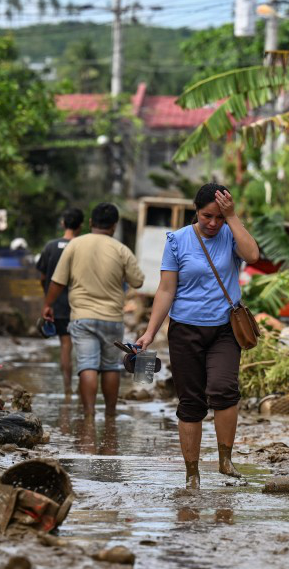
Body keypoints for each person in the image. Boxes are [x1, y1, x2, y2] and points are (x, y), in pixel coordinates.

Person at [136, 184, 260, 489]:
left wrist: (233, 217)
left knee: (223, 389)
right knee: (190, 402)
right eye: (208, 216)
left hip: (224, 330)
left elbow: (253, 255)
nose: (213, 223)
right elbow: (166, 290)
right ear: (196, 210)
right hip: (185, 330)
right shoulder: (177, 240)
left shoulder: (231, 234)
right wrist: (150, 333)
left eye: (219, 217)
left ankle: (225, 460)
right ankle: (192, 473)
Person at [44, 203, 144, 420]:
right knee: (110, 367)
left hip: (83, 317)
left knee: (87, 364)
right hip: (112, 319)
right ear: (114, 226)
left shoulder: (75, 245)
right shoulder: (121, 249)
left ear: (90, 223)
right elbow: (138, 281)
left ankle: (89, 415)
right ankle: (110, 415)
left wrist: (47, 305)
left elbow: (57, 281)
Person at [36, 208, 84, 395]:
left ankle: (67, 389)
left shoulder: (50, 246)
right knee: (82, 344)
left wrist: (48, 299)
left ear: (63, 223)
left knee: (65, 344)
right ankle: (83, 385)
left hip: (58, 305)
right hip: (80, 304)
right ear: (81, 226)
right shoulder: (82, 246)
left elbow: (42, 276)